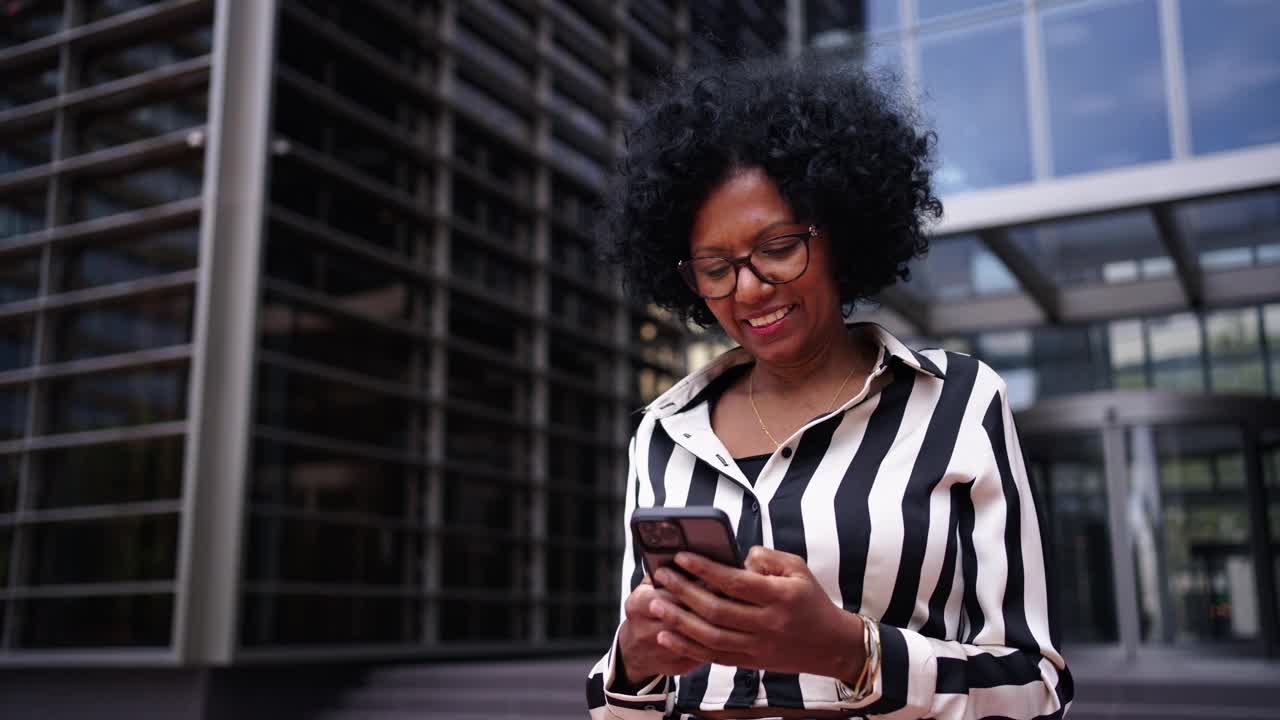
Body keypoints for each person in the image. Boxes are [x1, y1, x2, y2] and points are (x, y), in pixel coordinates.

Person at [584, 56, 1072, 720]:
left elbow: (1035, 691)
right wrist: (636, 665)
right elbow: (624, 706)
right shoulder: (664, 434)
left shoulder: (956, 403)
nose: (750, 287)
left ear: (838, 235)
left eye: (779, 246)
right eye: (715, 266)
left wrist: (849, 650)